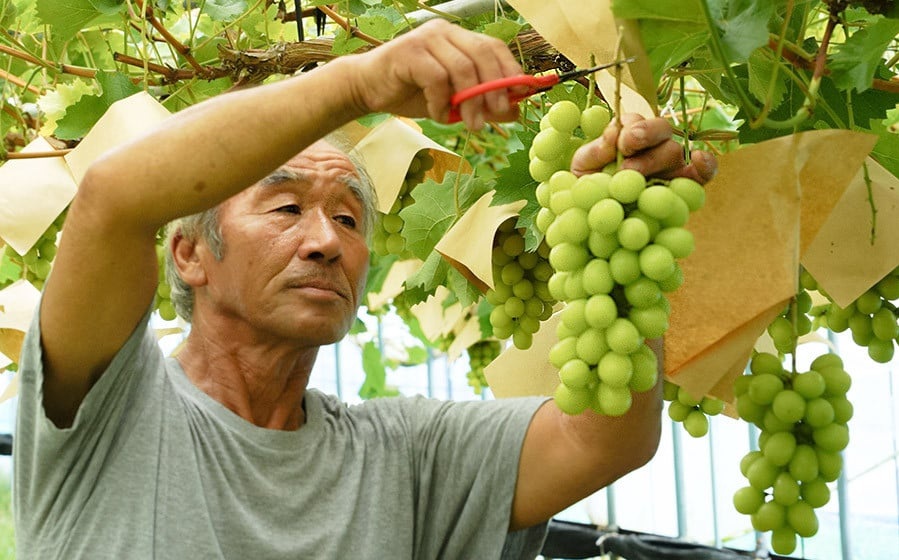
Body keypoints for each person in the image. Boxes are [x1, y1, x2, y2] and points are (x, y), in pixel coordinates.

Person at [13, 19, 716, 560]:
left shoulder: (403, 454)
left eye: (347, 218)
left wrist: (624, 219)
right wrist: (357, 83)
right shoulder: (111, 413)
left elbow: (603, 441)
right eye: (286, 208)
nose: (325, 242)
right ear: (191, 253)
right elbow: (111, 198)